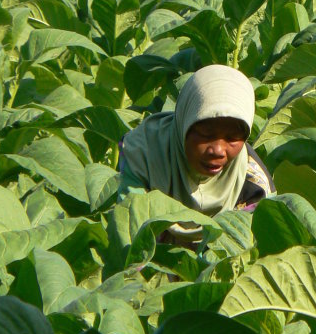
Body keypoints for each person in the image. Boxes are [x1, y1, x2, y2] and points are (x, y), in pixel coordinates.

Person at [117, 65, 275, 229]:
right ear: (185, 122)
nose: (218, 151)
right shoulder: (142, 152)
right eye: (206, 135)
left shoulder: (255, 185)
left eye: (232, 138)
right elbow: (129, 229)